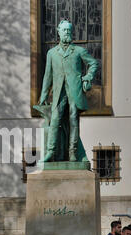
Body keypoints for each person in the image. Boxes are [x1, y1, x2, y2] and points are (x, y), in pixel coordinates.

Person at [38, 19, 99, 162]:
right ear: (58, 32)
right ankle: (50, 152)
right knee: (54, 120)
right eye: (64, 30)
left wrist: (87, 77)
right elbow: (47, 76)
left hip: (74, 91)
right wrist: (43, 95)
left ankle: (73, 152)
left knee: (73, 120)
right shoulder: (52, 53)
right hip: (59, 92)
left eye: (69, 30)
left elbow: (93, 63)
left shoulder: (78, 51)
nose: (67, 32)